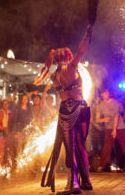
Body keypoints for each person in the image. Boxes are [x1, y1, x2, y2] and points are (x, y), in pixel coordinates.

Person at [37, 24, 93, 195]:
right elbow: (81, 52)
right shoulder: (69, 68)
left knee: (72, 148)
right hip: (77, 110)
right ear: (68, 58)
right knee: (79, 147)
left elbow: (37, 81)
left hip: (69, 112)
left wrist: (48, 63)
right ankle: (82, 181)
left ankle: (76, 181)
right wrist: (87, 34)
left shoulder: (55, 75)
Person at [95, 89, 125, 172]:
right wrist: (103, 119)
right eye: (105, 93)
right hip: (109, 128)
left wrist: (114, 130)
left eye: (108, 92)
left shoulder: (114, 102)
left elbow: (117, 116)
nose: (107, 94)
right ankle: (101, 165)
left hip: (120, 127)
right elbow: (97, 119)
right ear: (102, 94)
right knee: (107, 147)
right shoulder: (100, 105)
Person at [0, 99, 14, 167]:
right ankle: (1, 165)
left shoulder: (10, 113)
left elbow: (12, 123)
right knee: (1, 149)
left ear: (8, 105)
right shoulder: (0, 112)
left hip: (8, 132)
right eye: (4, 104)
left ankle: (9, 164)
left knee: (9, 149)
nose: (5, 105)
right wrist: (2, 128)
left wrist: (9, 129)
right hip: (1, 132)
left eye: (6, 103)